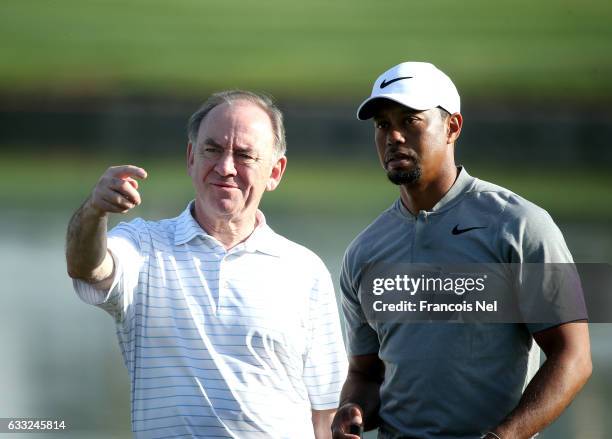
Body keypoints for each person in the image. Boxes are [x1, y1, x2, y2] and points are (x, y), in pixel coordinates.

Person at [331, 62, 592, 439]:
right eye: (383, 124)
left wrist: (502, 437)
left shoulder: (520, 226)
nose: (394, 137)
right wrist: (351, 411)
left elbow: (574, 358)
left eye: (410, 121)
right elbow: (365, 374)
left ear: (452, 127)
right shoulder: (363, 252)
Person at [66, 90, 347, 439]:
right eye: (212, 150)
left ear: (275, 172)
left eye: (244, 155)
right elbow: (87, 267)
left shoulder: (305, 269)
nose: (226, 167)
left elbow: (326, 410)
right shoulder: (143, 247)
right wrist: (95, 211)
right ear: (191, 158)